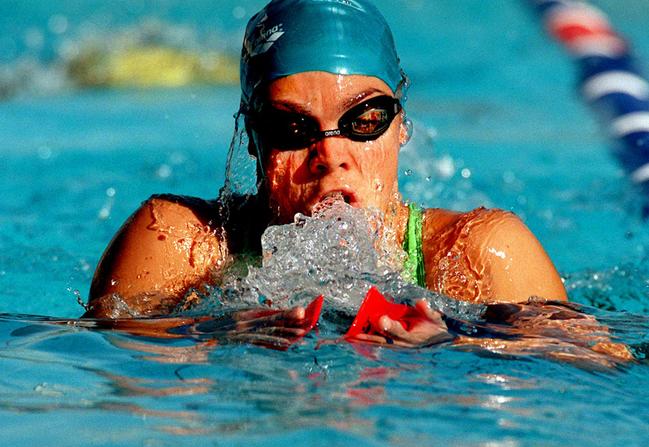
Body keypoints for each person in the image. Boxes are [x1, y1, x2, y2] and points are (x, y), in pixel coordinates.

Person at [84, 0, 569, 348]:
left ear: (400, 126)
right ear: (254, 140)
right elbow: (104, 368)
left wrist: (458, 349)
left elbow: (590, 372)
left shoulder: (476, 254)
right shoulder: (182, 244)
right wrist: (214, 333)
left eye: (363, 120)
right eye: (291, 127)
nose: (330, 154)